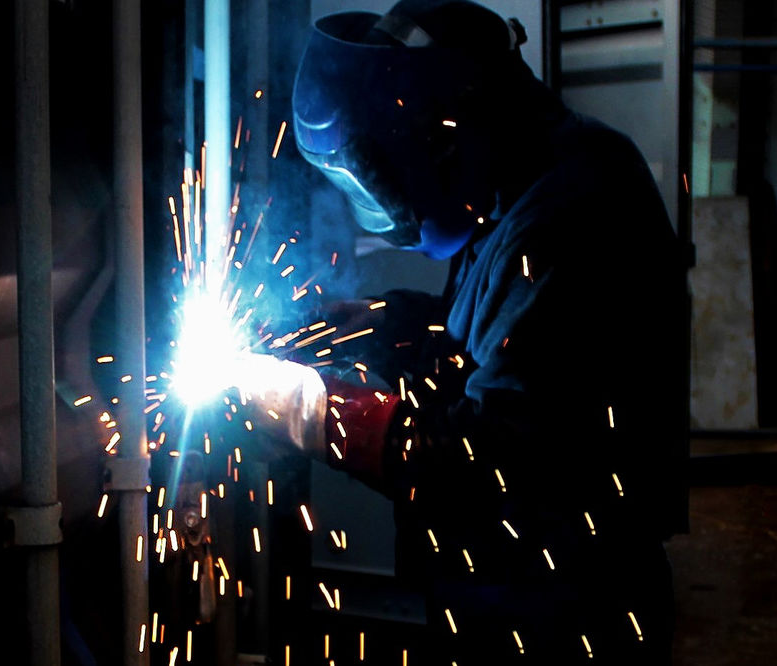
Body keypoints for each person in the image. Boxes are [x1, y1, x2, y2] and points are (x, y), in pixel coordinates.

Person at [248, 1, 688, 663]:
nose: (386, 206)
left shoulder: (572, 205)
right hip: (512, 594)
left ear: (441, 134)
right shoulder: (520, 187)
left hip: (568, 611)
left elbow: (494, 465)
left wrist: (315, 411)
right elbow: (487, 351)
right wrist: (365, 328)